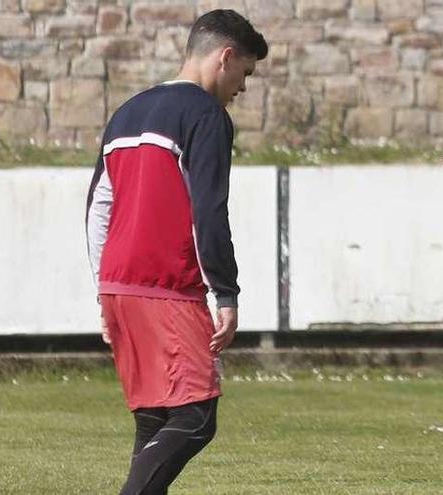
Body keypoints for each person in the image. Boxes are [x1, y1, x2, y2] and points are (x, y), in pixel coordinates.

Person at [85, 9, 267, 494]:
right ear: (225, 57)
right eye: (245, 73)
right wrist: (225, 295)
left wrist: (104, 288)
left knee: (154, 419)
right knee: (194, 417)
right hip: (166, 286)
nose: (242, 89)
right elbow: (209, 211)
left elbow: (98, 206)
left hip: (119, 284)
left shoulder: (127, 111)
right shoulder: (207, 116)